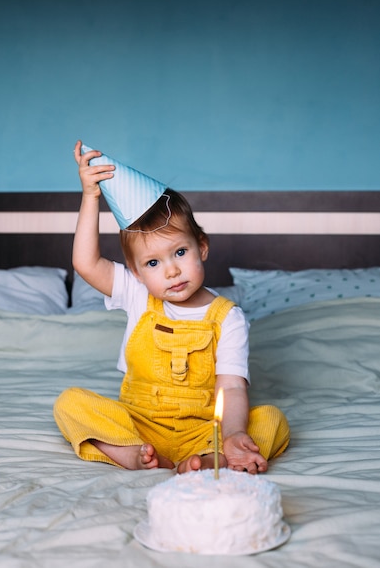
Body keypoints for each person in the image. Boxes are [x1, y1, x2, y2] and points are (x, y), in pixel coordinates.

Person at [53, 140, 290, 474]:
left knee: (271, 420)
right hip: (141, 425)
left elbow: (233, 386)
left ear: (202, 247)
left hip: (205, 429)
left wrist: (233, 433)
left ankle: (214, 457)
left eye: (180, 252)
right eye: (152, 262)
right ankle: (130, 452)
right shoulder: (136, 294)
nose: (171, 271)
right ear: (136, 272)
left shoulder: (228, 318)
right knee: (70, 402)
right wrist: (91, 197)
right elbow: (86, 262)